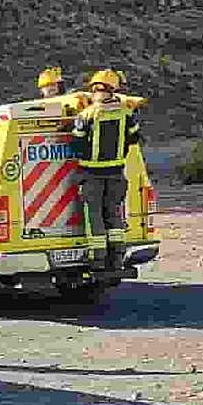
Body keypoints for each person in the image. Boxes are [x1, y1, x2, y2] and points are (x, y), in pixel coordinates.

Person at [71, 70, 142, 271]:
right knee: (114, 213)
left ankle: (97, 258)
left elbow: (77, 143)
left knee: (94, 215)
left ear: (95, 90)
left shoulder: (87, 114)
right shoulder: (126, 113)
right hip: (116, 173)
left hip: (91, 174)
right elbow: (134, 138)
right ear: (113, 90)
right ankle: (117, 257)